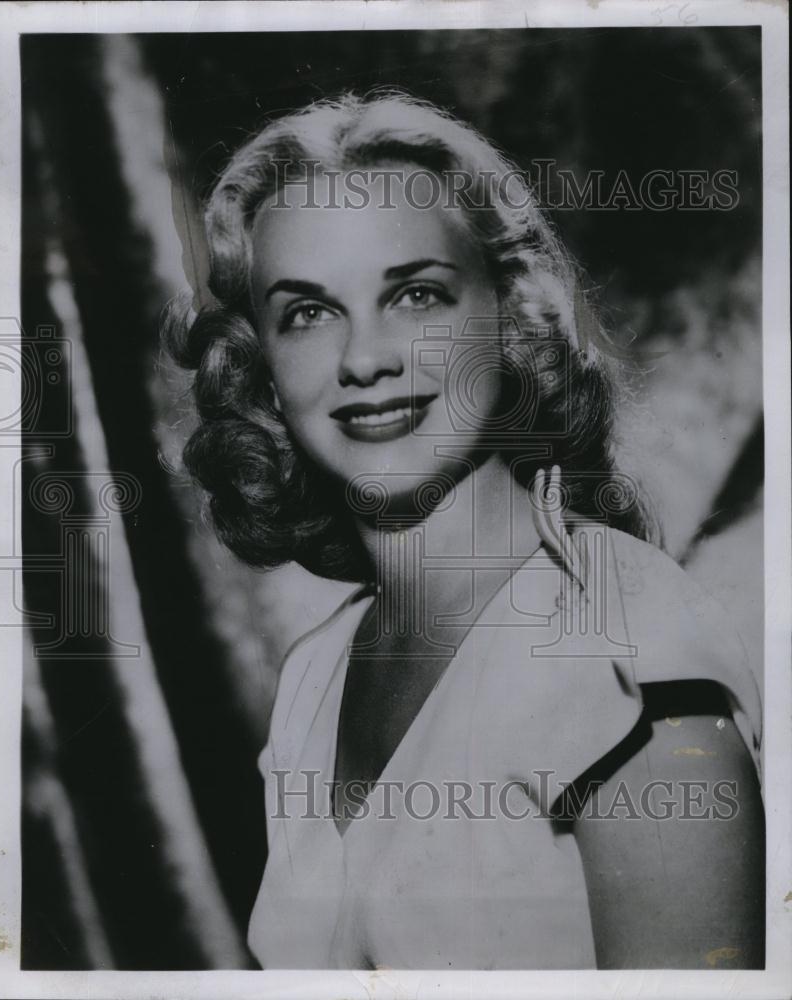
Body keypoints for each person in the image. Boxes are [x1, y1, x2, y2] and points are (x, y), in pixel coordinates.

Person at [163, 90, 764, 970]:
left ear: (510, 316)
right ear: (262, 367)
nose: (365, 360)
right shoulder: (315, 679)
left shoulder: (626, 648)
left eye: (414, 294)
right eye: (308, 312)